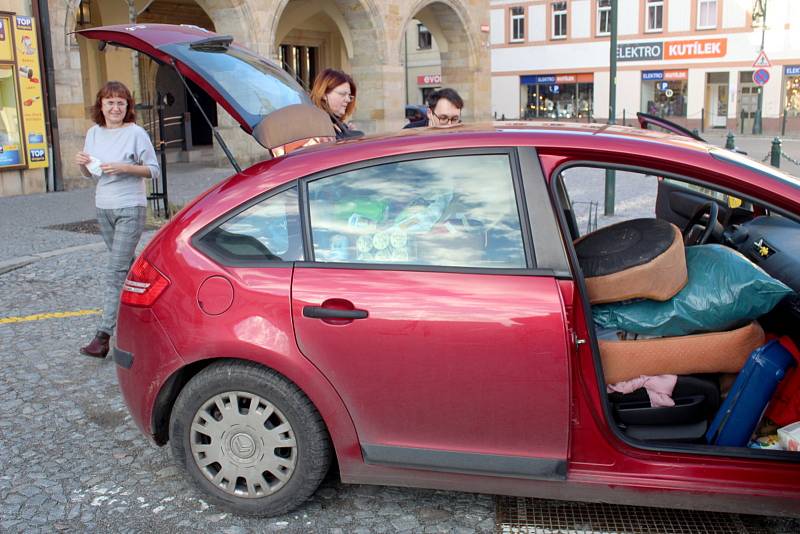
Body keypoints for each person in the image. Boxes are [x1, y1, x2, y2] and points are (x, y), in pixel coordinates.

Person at [74, 81, 160, 358]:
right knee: (128, 269)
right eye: (110, 102)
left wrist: (125, 167)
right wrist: (83, 165)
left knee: (114, 273)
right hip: (104, 208)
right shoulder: (93, 133)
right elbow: (92, 175)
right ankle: (157, 310)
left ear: (127, 107)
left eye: (120, 103)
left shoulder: (136, 133)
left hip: (129, 208)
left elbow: (154, 170)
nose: (115, 107)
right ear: (101, 106)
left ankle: (102, 337)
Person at [310, 68, 363, 140]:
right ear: (324, 94)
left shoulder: (339, 125)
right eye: (342, 94)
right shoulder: (315, 128)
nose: (348, 100)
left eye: (349, 96)